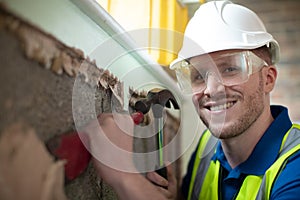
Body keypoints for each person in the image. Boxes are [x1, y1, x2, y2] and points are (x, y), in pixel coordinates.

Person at [86, 1, 300, 199]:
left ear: (269, 78)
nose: (213, 89)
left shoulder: (295, 166)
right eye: (198, 75)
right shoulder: (208, 146)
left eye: (230, 68)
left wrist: (125, 177)